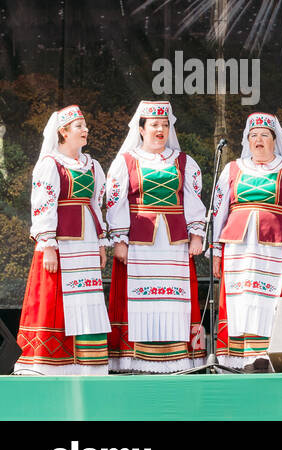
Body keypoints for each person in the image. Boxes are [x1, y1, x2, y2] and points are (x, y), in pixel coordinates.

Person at [104, 100, 207, 373]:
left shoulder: (184, 162)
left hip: (174, 244)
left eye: (164, 125)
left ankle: (176, 359)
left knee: (175, 297)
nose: (160, 130)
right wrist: (120, 240)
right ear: (141, 129)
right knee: (141, 297)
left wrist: (196, 234)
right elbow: (116, 202)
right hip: (139, 243)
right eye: (154, 125)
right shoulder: (126, 161)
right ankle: (136, 359)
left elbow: (194, 201)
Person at [209, 113, 282, 371]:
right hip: (238, 250)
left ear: (274, 140)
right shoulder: (233, 169)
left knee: (271, 299)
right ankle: (239, 359)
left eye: (264, 135)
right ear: (247, 140)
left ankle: (269, 356)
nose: (259, 140)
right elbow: (218, 210)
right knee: (243, 298)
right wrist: (216, 250)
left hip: (274, 248)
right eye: (254, 135)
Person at [14, 105, 111, 375]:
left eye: (85, 125)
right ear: (63, 132)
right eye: (79, 126)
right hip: (62, 241)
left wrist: (101, 243)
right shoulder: (51, 164)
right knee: (58, 295)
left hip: (87, 240)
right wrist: (48, 246)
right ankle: (53, 364)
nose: (86, 129)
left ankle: (87, 364)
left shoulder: (92, 165)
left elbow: (96, 204)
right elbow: (43, 206)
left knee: (88, 294)